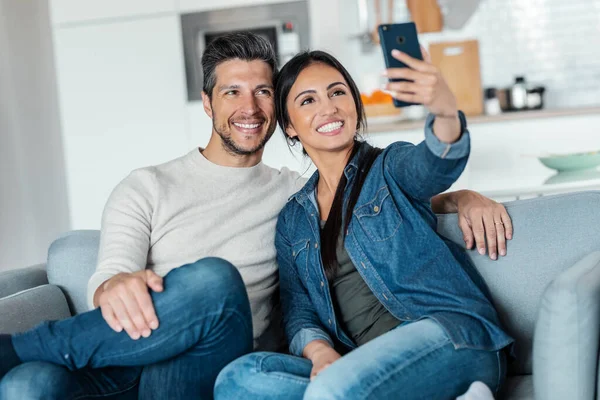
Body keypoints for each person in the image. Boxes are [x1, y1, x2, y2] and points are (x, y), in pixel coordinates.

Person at [0, 33, 510, 400]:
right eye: (232, 92)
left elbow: (418, 172)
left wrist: (458, 184)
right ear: (208, 104)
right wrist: (114, 287)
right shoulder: (279, 210)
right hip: (136, 352)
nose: (250, 106)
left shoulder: (334, 183)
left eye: (263, 91)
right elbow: (111, 273)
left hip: (434, 332)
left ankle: (14, 348)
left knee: (214, 284)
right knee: (31, 385)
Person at [213, 49, 514, 400]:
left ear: (355, 105)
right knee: (240, 379)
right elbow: (300, 310)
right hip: (361, 362)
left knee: (331, 391)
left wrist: (444, 110)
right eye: (308, 100)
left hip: (451, 337)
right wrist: (321, 352)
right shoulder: (294, 219)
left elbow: (433, 164)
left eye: (338, 92)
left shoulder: (389, 168)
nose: (328, 108)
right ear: (290, 126)